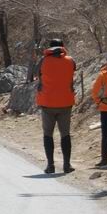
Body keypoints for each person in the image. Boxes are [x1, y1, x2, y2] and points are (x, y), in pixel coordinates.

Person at [36, 38, 76, 174]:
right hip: (66, 102)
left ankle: (51, 165)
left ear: (49, 48)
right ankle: (67, 165)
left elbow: (38, 76)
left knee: (48, 134)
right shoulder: (71, 61)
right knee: (65, 134)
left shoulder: (43, 61)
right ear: (63, 47)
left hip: (47, 103)